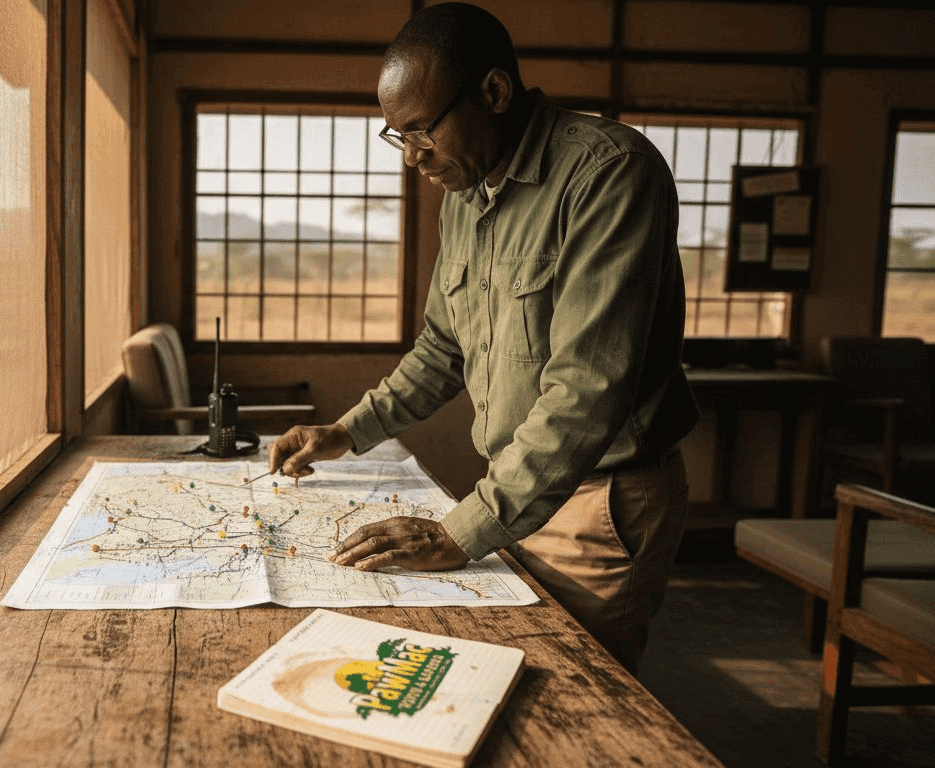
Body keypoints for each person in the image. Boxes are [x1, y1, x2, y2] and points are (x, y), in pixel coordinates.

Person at [268, 2, 700, 674]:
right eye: (397, 138)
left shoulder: (609, 174)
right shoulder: (466, 197)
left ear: (494, 93)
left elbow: (588, 389)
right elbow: (443, 349)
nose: (413, 158)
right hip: (512, 490)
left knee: (569, 699)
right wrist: (347, 431)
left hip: (597, 503)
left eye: (420, 131)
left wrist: (458, 531)